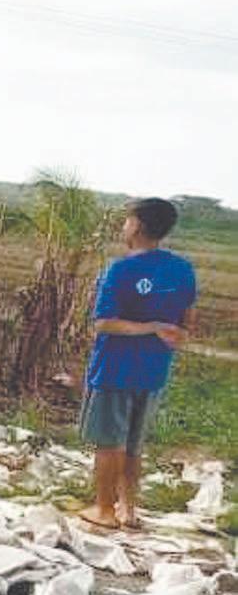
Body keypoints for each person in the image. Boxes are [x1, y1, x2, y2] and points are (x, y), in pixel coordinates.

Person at [77, 198, 196, 531]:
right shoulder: (182, 269)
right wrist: (169, 332)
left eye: (127, 220)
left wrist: (150, 326)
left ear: (138, 226)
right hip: (154, 371)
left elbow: (104, 323)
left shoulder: (122, 270)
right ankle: (128, 509)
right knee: (133, 443)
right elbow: (187, 321)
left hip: (116, 369)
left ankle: (104, 509)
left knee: (109, 442)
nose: (124, 226)